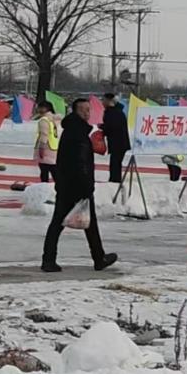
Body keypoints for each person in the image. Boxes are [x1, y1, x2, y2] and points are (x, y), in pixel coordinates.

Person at [41, 98, 117, 273]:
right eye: (83, 110)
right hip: (75, 185)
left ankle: (98, 257)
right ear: (75, 111)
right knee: (61, 223)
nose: (87, 113)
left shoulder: (74, 130)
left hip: (68, 184)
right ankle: (50, 260)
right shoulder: (77, 132)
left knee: (83, 223)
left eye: (88, 110)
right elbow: (79, 162)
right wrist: (86, 186)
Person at [101, 93, 130, 183]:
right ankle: (115, 180)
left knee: (115, 163)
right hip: (121, 143)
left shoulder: (112, 112)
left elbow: (112, 126)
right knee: (116, 163)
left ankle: (115, 181)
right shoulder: (118, 111)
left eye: (104, 100)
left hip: (117, 143)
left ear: (109, 101)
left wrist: (103, 128)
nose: (102, 102)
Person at [34, 100, 58, 182]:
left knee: (44, 171)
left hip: (46, 148)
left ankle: (45, 189)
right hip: (54, 148)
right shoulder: (55, 119)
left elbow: (44, 135)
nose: (38, 109)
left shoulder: (44, 120)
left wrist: (41, 149)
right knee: (54, 170)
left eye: (40, 107)